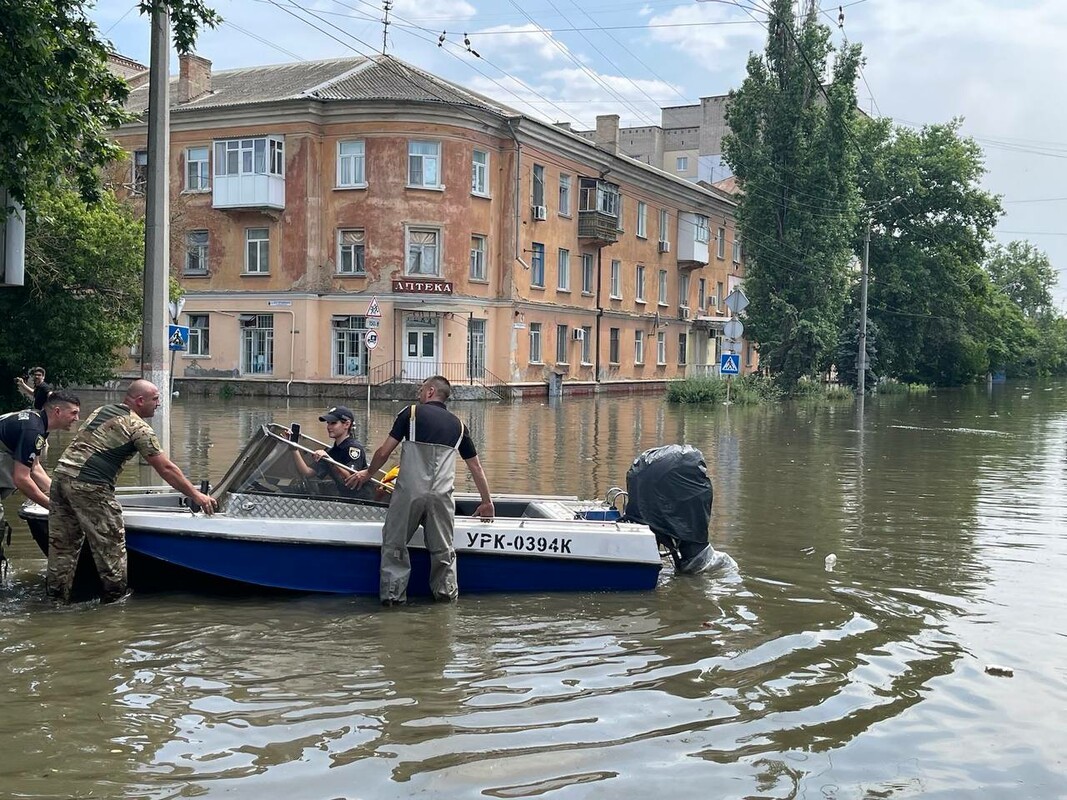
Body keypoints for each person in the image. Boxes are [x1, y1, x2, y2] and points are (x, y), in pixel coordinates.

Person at [46, 379, 217, 604]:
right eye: (155, 399)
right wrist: (196, 495)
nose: (158, 404)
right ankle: (115, 607)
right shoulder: (138, 427)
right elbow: (166, 468)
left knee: (62, 548)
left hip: (60, 478)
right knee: (111, 552)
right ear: (140, 400)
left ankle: (54, 602)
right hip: (91, 486)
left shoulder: (102, 410)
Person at [346, 375, 493, 604]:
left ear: (431, 391)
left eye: (421, 389)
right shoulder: (459, 426)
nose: (419, 393)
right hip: (442, 498)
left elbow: (384, 452)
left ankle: (393, 600)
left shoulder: (411, 414)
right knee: (443, 551)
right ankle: (445, 599)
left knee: (395, 546)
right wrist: (486, 502)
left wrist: (368, 473)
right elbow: (476, 467)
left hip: (409, 494)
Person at [0, 391, 82, 507]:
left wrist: (60, 496)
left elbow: (35, 468)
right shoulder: (32, 430)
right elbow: (22, 478)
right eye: (74, 413)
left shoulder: (37, 423)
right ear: (57, 411)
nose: (77, 419)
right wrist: (54, 508)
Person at [291, 405, 369, 496]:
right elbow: (307, 472)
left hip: (361, 501)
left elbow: (350, 480)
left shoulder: (354, 449)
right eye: (328, 423)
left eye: (333, 423)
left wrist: (330, 460)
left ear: (347, 424)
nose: (328, 427)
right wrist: (293, 447)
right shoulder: (331, 452)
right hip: (344, 498)